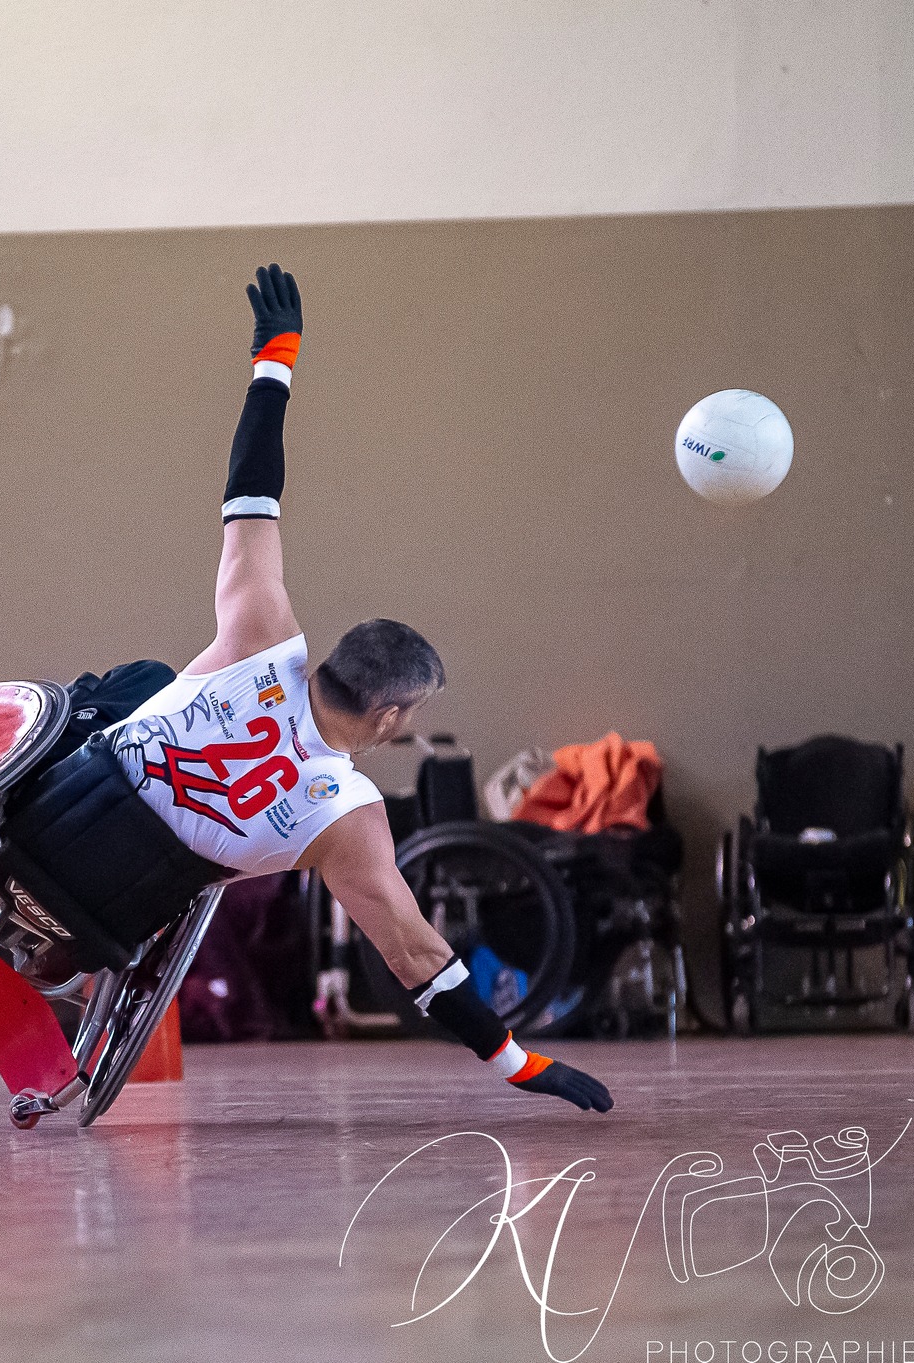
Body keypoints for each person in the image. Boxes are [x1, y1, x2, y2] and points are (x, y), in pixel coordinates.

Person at [98, 265, 611, 1112]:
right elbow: (417, 957)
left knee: (142, 684)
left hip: (63, 815)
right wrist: (521, 1064)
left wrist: (276, 359)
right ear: (391, 713)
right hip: (122, 901)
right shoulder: (346, 818)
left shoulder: (260, 637)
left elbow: (250, 493)